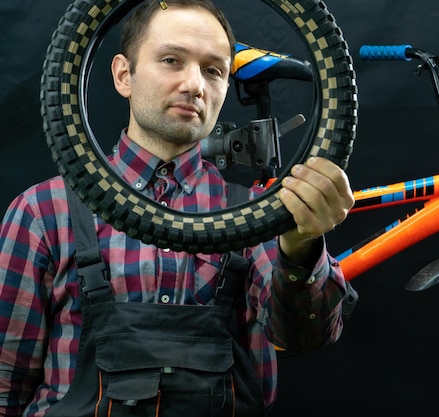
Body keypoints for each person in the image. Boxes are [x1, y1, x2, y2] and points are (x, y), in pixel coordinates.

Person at [0, 0, 354, 416]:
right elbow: (6, 383)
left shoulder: (262, 213)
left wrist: (302, 245)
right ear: (123, 75)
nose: (195, 84)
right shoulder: (43, 212)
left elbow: (305, 336)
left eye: (213, 70)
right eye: (171, 60)